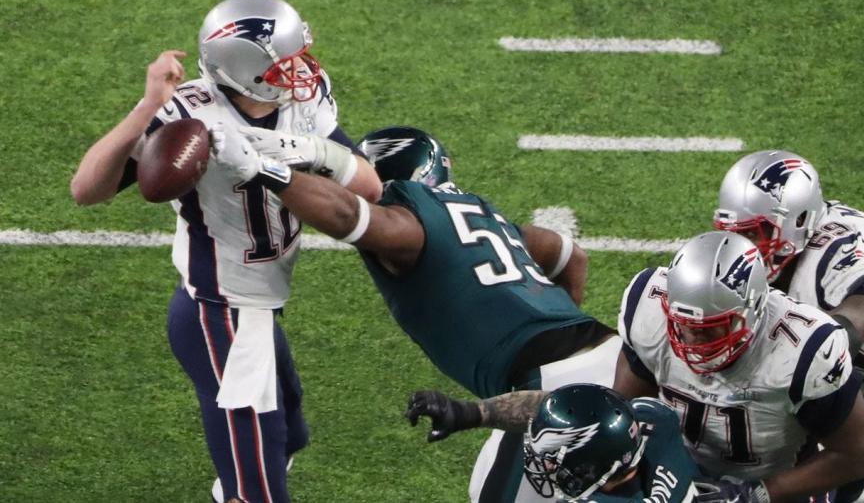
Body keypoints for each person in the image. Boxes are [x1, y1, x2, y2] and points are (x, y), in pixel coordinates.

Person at [70, 0, 382, 503]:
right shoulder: (185, 116)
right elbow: (86, 190)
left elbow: (366, 185)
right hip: (222, 314)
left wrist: (303, 152)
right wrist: (148, 104)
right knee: (257, 491)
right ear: (247, 70)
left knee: (288, 437)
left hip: (259, 306)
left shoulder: (302, 98)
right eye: (285, 63)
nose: (302, 69)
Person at [210, 125, 623, 502]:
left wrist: (263, 170)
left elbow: (348, 215)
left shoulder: (410, 223)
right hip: (615, 355)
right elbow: (572, 256)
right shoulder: (478, 212)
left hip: (551, 384)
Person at [713, 150, 864, 501]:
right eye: (735, 234)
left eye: (755, 234)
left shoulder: (842, 257)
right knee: (809, 486)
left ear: (798, 222)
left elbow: (853, 323)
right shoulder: (797, 243)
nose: (744, 250)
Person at [612, 231, 864, 503]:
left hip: (778, 485)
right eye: (685, 324)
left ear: (754, 310)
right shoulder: (648, 307)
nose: (694, 339)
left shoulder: (803, 351)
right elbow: (626, 410)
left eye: (713, 328)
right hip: (682, 468)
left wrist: (756, 495)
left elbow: (857, 454)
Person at [404, 383, 701, 502]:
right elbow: (546, 406)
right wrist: (469, 413)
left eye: (553, 459)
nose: (543, 464)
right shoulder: (653, 420)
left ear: (591, 468)